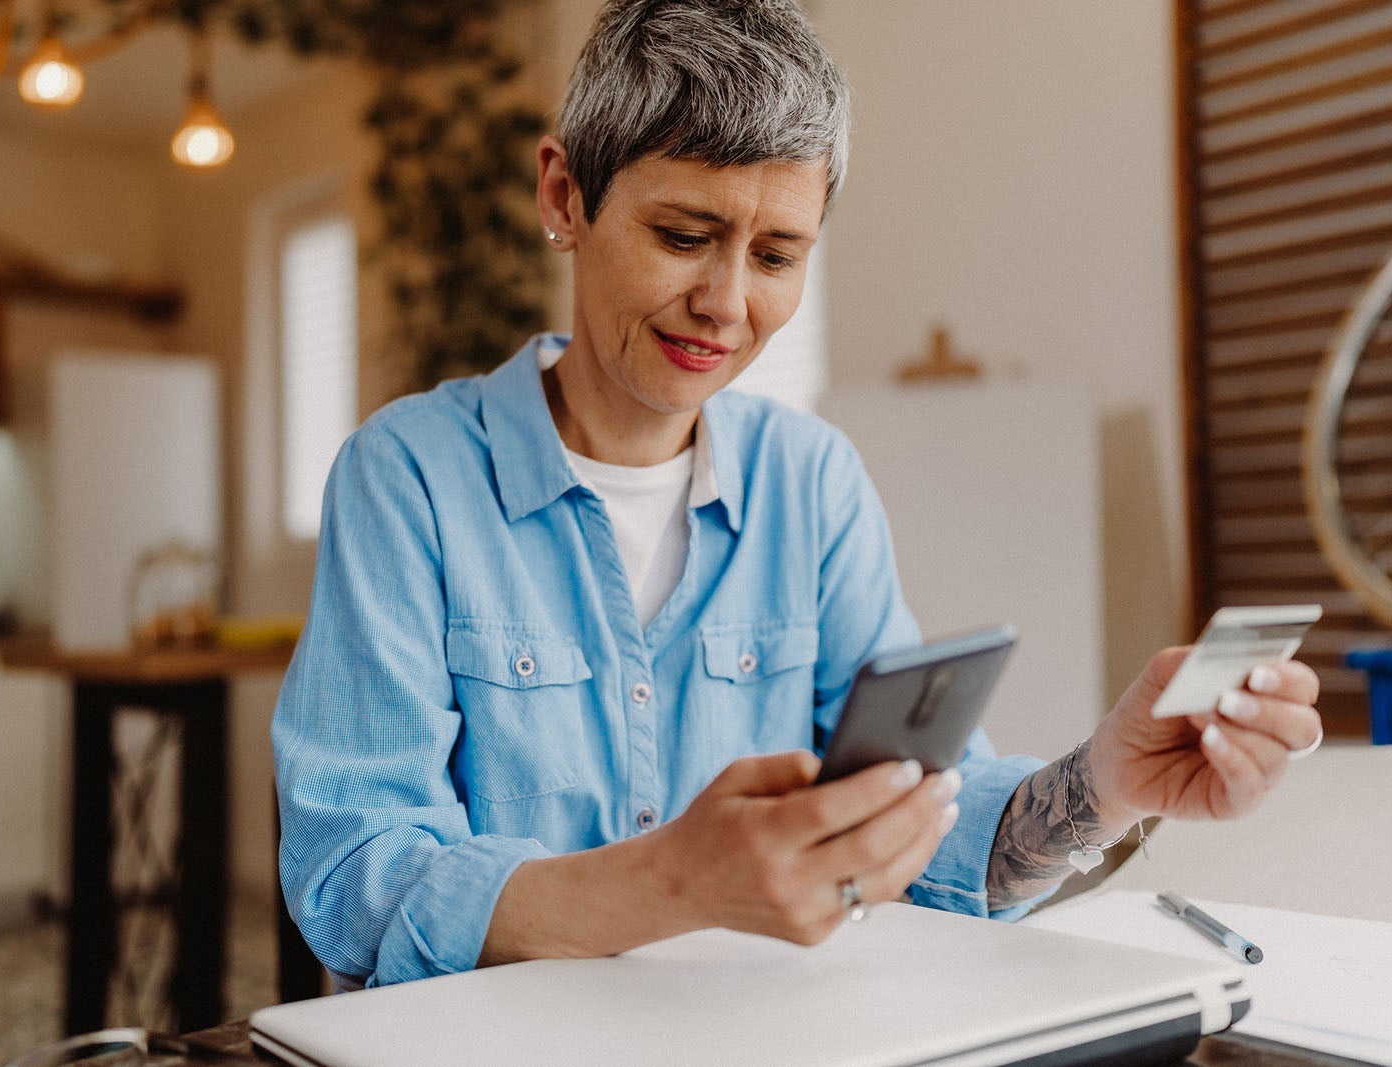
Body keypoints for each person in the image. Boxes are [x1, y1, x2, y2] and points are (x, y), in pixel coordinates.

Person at [272, 0, 1322, 989]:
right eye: (683, 236)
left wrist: (1108, 783)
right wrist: (673, 883)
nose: (726, 305)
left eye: (776, 254)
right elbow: (354, 874)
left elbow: (917, 824)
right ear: (564, 196)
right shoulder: (406, 476)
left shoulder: (810, 481)